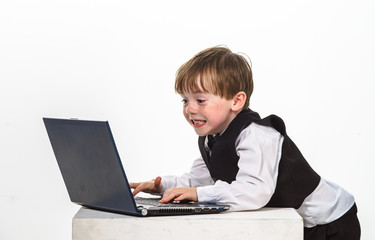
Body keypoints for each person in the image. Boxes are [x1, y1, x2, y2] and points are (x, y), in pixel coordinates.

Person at [130, 46, 361, 240]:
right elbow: (199, 180)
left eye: (200, 100)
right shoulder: (211, 138)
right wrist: (161, 186)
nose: (190, 109)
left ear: (237, 101)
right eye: (185, 100)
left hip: (330, 222)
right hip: (299, 223)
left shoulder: (256, 135)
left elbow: (255, 191)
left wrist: (199, 194)